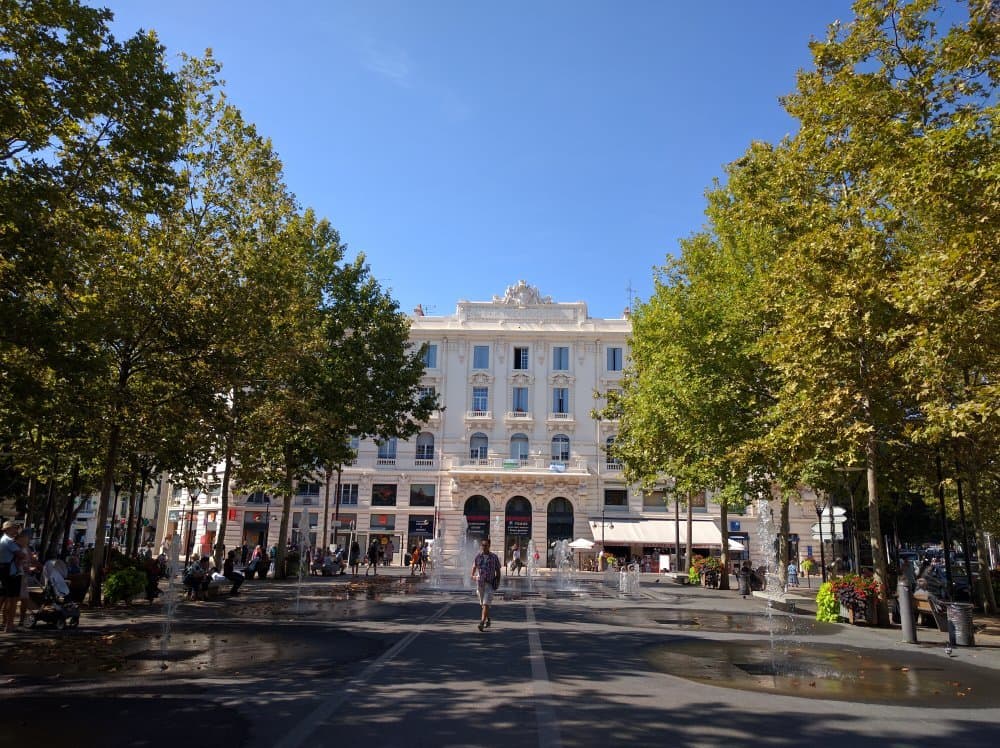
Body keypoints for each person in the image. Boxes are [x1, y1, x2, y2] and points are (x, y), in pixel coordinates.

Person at [471, 538, 501, 632]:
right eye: (482, 545)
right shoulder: (478, 557)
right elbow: (474, 567)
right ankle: (488, 619)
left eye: (485, 545)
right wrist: (473, 576)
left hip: (489, 583)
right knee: (483, 604)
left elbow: (498, 571)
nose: (483, 547)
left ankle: (481, 623)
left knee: (485, 604)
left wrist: (498, 581)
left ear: (489, 546)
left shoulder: (494, 557)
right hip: (480, 583)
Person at [0, 520, 23, 632]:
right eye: (14, 528)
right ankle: (9, 625)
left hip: (5, 570)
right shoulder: (9, 541)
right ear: (8, 529)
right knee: (12, 599)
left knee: (5, 597)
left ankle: (5, 623)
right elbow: (21, 554)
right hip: (11, 572)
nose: (16, 530)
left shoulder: (4, 540)